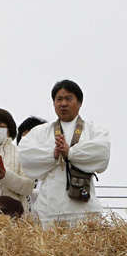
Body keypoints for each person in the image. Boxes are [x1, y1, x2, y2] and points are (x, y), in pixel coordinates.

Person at [18, 80, 110, 228]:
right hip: (49, 210)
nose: (63, 103)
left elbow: (102, 153)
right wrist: (53, 155)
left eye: (69, 98)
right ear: (53, 103)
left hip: (84, 209)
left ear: (80, 103)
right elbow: (24, 153)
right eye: (59, 99)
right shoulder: (40, 132)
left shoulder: (94, 130)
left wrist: (71, 153)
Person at [17, 116, 47, 211]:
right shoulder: (15, 162)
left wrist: (32, 192)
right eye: (24, 135)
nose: (26, 139)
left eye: (31, 135)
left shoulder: (50, 163)